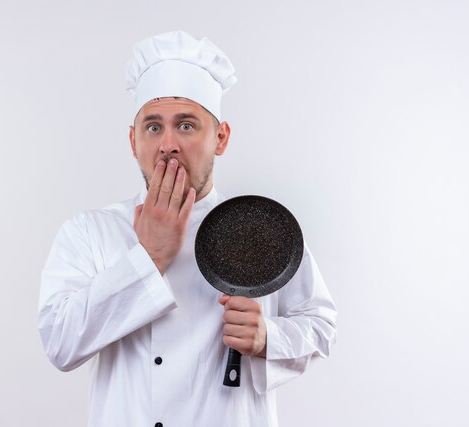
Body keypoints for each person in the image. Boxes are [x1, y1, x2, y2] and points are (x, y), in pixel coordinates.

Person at [38, 31, 337, 427]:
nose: (168, 145)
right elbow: (60, 344)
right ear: (133, 140)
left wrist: (268, 337)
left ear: (221, 138)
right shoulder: (90, 231)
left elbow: (320, 325)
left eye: (186, 125)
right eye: (153, 127)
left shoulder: (258, 226)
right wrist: (149, 257)